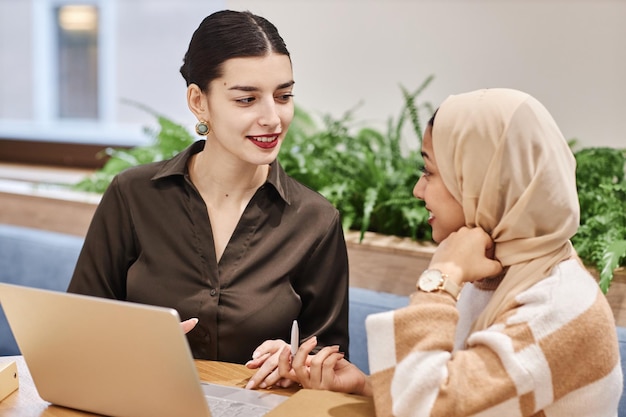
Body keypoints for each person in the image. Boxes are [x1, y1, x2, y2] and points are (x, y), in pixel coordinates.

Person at [277, 88, 623, 416]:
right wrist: (365, 387)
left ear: (484, 182)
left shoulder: (556, 308)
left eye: (429, 172)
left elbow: (427, 409)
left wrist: (441, 277)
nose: (417, 190)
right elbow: (465, 402)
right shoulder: (500, 269)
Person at [67, 9, 349, 389]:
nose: (273, 118)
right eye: (247, 99)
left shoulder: (316, 220)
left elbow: (331, 362)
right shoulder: (133, 195)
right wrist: (135, 344)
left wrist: (295, 362)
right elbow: (78, 326)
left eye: (283, 96)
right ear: (199, 102)